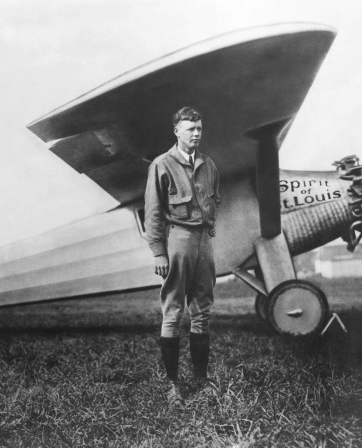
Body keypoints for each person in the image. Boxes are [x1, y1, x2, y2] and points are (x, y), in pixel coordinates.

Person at [144, 107, 220, 405]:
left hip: (203, 241)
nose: (196, 133)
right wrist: (159, 252)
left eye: (199, 128)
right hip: (178, 239)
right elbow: (152, 212)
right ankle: (173, 386)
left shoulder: (208, 164)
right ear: (177, 131)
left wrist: (210, 224)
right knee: (173, 310)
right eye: (190, 129)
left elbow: (215, 198)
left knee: (203, 309)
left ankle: (201, 382)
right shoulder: (162, 165)